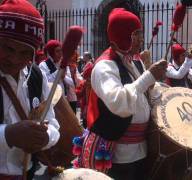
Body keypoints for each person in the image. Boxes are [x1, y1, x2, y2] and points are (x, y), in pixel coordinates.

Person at [73, 8, 167, 180]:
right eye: (135, 34)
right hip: (118, 154)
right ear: (121, 36)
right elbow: (118, 102)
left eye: (140, 33)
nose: (141, 39)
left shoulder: (136, 60)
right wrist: (148, 77)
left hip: (142, 149)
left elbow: (145, 92)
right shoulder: (104, 66)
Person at [0, 0, 60, 179]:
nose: (14, 58)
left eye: (25, 52)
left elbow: (53, 125)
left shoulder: (36, 76)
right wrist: (7, 135)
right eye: (7, 48)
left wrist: (46, 137)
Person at [76, 63, 93, 128]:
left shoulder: (96, 83)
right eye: (88, 78)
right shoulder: (84, 84)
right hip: (85, 109)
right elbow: (78, 93)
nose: (89, 80)